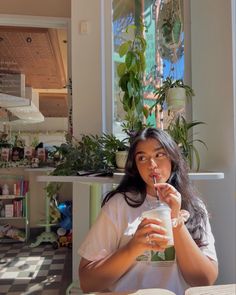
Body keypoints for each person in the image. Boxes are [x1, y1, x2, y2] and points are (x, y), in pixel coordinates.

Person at [78, 128, 218, 295]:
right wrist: (133, 247)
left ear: (172, 159)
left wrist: (176, 221)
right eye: (142, 158)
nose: (152, 165)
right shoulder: (119, 205)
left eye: (159, 155)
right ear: (136, 167)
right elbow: (87, 282)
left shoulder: (194, 207)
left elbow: (205, 280)